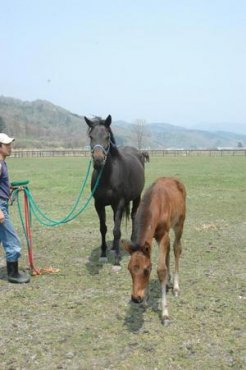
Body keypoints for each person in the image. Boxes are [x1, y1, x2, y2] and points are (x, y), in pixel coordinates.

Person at [0, 133, 30, 283]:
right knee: (12, 241)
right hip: (0, 207)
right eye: (7, 145)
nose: (10, 147)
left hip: (2, 203)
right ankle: (13, 274)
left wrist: (10, 187)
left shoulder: (2, 163)